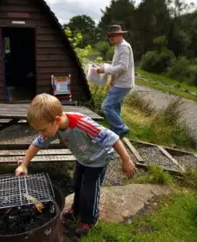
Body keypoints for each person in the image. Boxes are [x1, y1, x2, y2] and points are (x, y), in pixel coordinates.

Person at [15, 93, 136, 237]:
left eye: (43, 130)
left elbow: (113, 138)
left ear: (57, 120)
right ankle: (76, 210)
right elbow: (36, 144)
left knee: (89, 190)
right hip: (83, 158)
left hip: (98, 160)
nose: (42, 134)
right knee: (77, 184)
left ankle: (89, 220)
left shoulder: (83, 124)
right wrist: (24, 164)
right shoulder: (53, 126)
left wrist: (126, 160)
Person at [96, 24, 135, 138]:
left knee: (106, 107)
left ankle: (122, 128)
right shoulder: (118, 46)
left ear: (120, 35)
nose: (111, 38)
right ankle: (115, 133)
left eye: (113, 35)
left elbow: (123, 67)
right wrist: (112, 80)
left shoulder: (123, 47)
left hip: (123, 83)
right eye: (109, 36)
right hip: (120, 83)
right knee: (115, 109)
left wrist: (105, 70)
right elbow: (116, 65)